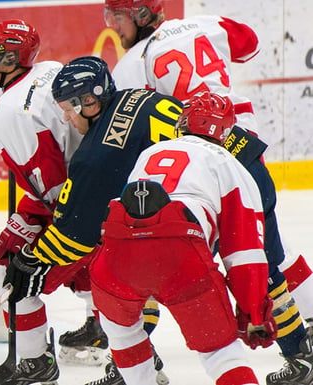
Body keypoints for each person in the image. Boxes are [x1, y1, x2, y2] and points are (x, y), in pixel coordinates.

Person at [104, 1, 313, 382]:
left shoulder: (135, 60)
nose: (113, 27)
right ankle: (301, 347)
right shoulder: (207, 22)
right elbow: (250, 45)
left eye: (117, 17)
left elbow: (132, 123)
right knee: (268, 255)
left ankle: (131, 363)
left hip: (198, 160)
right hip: (245, 147)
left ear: (139, 15)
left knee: (156, 254)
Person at [4, 55, 178, 384]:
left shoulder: (94, 156)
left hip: (186, 218)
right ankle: (141, 365)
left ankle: (132, 369)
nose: (67, 119)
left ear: (90, 100)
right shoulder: (134, 95)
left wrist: (33, 261)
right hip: (229, 173)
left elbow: (75, 235)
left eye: (69, 109)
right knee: (267, 268)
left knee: (113, 276)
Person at [89, 91, 277, 385]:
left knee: (122, 332)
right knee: (221, 353)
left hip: (116, 250)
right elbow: (244, 250)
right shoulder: (228, 164)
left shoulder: (150, 153)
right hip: (179, 254)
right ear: (225, 132)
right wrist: (253, 308)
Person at [0, 19, 96, 383]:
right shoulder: (49, 69)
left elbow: (53, 189)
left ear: (8, 60)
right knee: (104, 276)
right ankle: (104, 328)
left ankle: (35, 361)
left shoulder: (10, 114)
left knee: (12, 276)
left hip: (79, 204)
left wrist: (31, 220)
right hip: (98, 186)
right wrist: (28, 215)